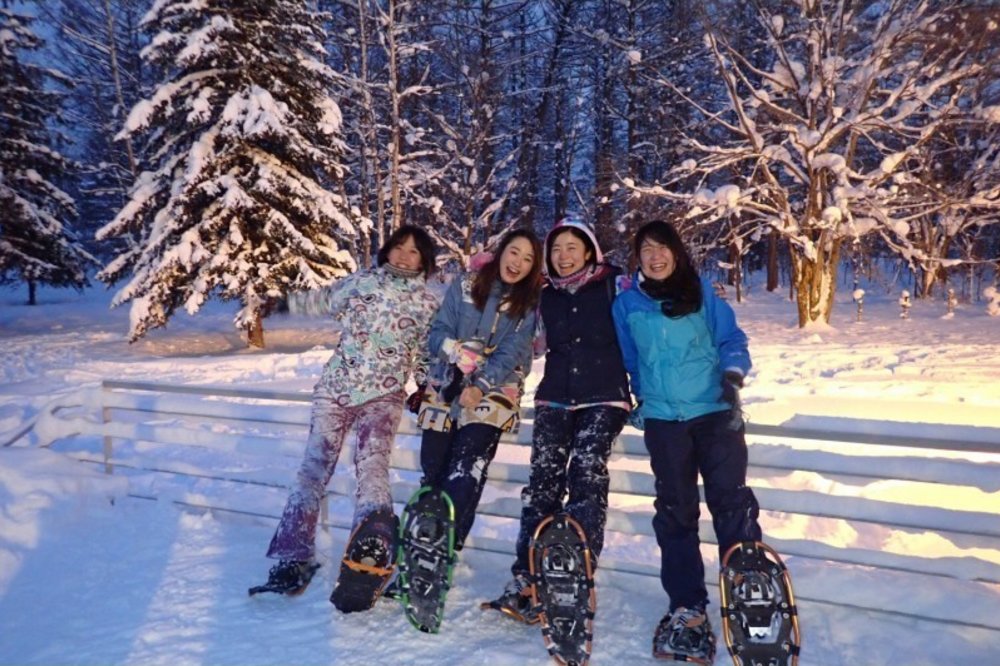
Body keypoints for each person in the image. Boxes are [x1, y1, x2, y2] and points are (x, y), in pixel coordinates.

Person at [256, 225, 440, 596]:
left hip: (384, 396)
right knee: (312, 469)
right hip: (335, 389)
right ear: (387, 249)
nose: (404, 255)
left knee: (372, 471)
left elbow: (424, 352)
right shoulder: (360, 283)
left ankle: (371, 553)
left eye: (414, 251)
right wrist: (284, 303)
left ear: (424, 260)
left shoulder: (427, 304)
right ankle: (293, 558)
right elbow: (321, 299)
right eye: (399, 247)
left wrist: (424, 385)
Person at [611, 219, 761, 662]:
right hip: (664, 422)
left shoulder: (702, 294)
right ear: (637, 258)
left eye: (662, 248)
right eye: (646, 250)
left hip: (715, 414)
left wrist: (732, 376)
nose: (655, 257)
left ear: (676, 252)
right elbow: (630, 359)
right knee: (676, 514)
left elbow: (733, 339)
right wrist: (640, 396)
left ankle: (749, 594)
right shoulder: (626, 306)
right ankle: (687, 607)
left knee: (731, 504)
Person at [488, 217, 630, 621]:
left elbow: (644, 323)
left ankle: (574, 571)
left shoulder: (615, 286)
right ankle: (527, 576)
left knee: (586, 469)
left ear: (589, 251)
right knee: (542, 483)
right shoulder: (543, 295)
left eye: (572, 247)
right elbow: (531, 346)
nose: (563, 256)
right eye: (556, 249)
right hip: (554, 398)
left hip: (604, 395)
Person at [415, 228, 543, 553]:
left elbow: (512, 351)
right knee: (434, 463)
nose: (518, 262)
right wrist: (455, 353)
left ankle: (443, 546)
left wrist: (481, 383)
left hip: (497, 387)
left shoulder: (527, 304)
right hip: (446, 379)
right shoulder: (465, 285)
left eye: (528, 259)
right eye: (514, 252)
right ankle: (422, 541)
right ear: (502, 252)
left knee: (467, 462)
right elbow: (438, 330)